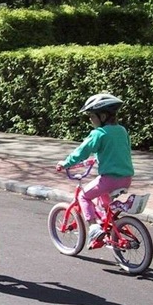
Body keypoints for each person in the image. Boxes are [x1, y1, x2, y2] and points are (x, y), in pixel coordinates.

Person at [56, 91, 134, 249]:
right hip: (126, 177)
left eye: (92, 116)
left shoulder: (99, 133)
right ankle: (110, 229)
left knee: (84, 197)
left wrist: (65, 163)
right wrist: (98, 159)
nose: (90, 119)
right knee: (104, 202)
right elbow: (118, 150)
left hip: (109, 179)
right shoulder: (122, 130)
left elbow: (81, 151)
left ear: (103, 116)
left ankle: (93, 228)